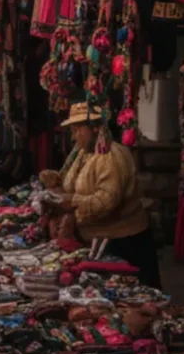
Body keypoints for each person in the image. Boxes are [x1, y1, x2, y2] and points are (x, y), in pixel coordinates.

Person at [52, 102, 160, 287]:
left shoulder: (111, 155)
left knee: (133, 297)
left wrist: (73, 203)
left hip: (124, 241)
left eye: (79, 129)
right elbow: (72, 183)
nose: (74, 136)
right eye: (73, 130)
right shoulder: (84, 153)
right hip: (100, 239)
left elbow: (106, 201)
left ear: (95, 128)